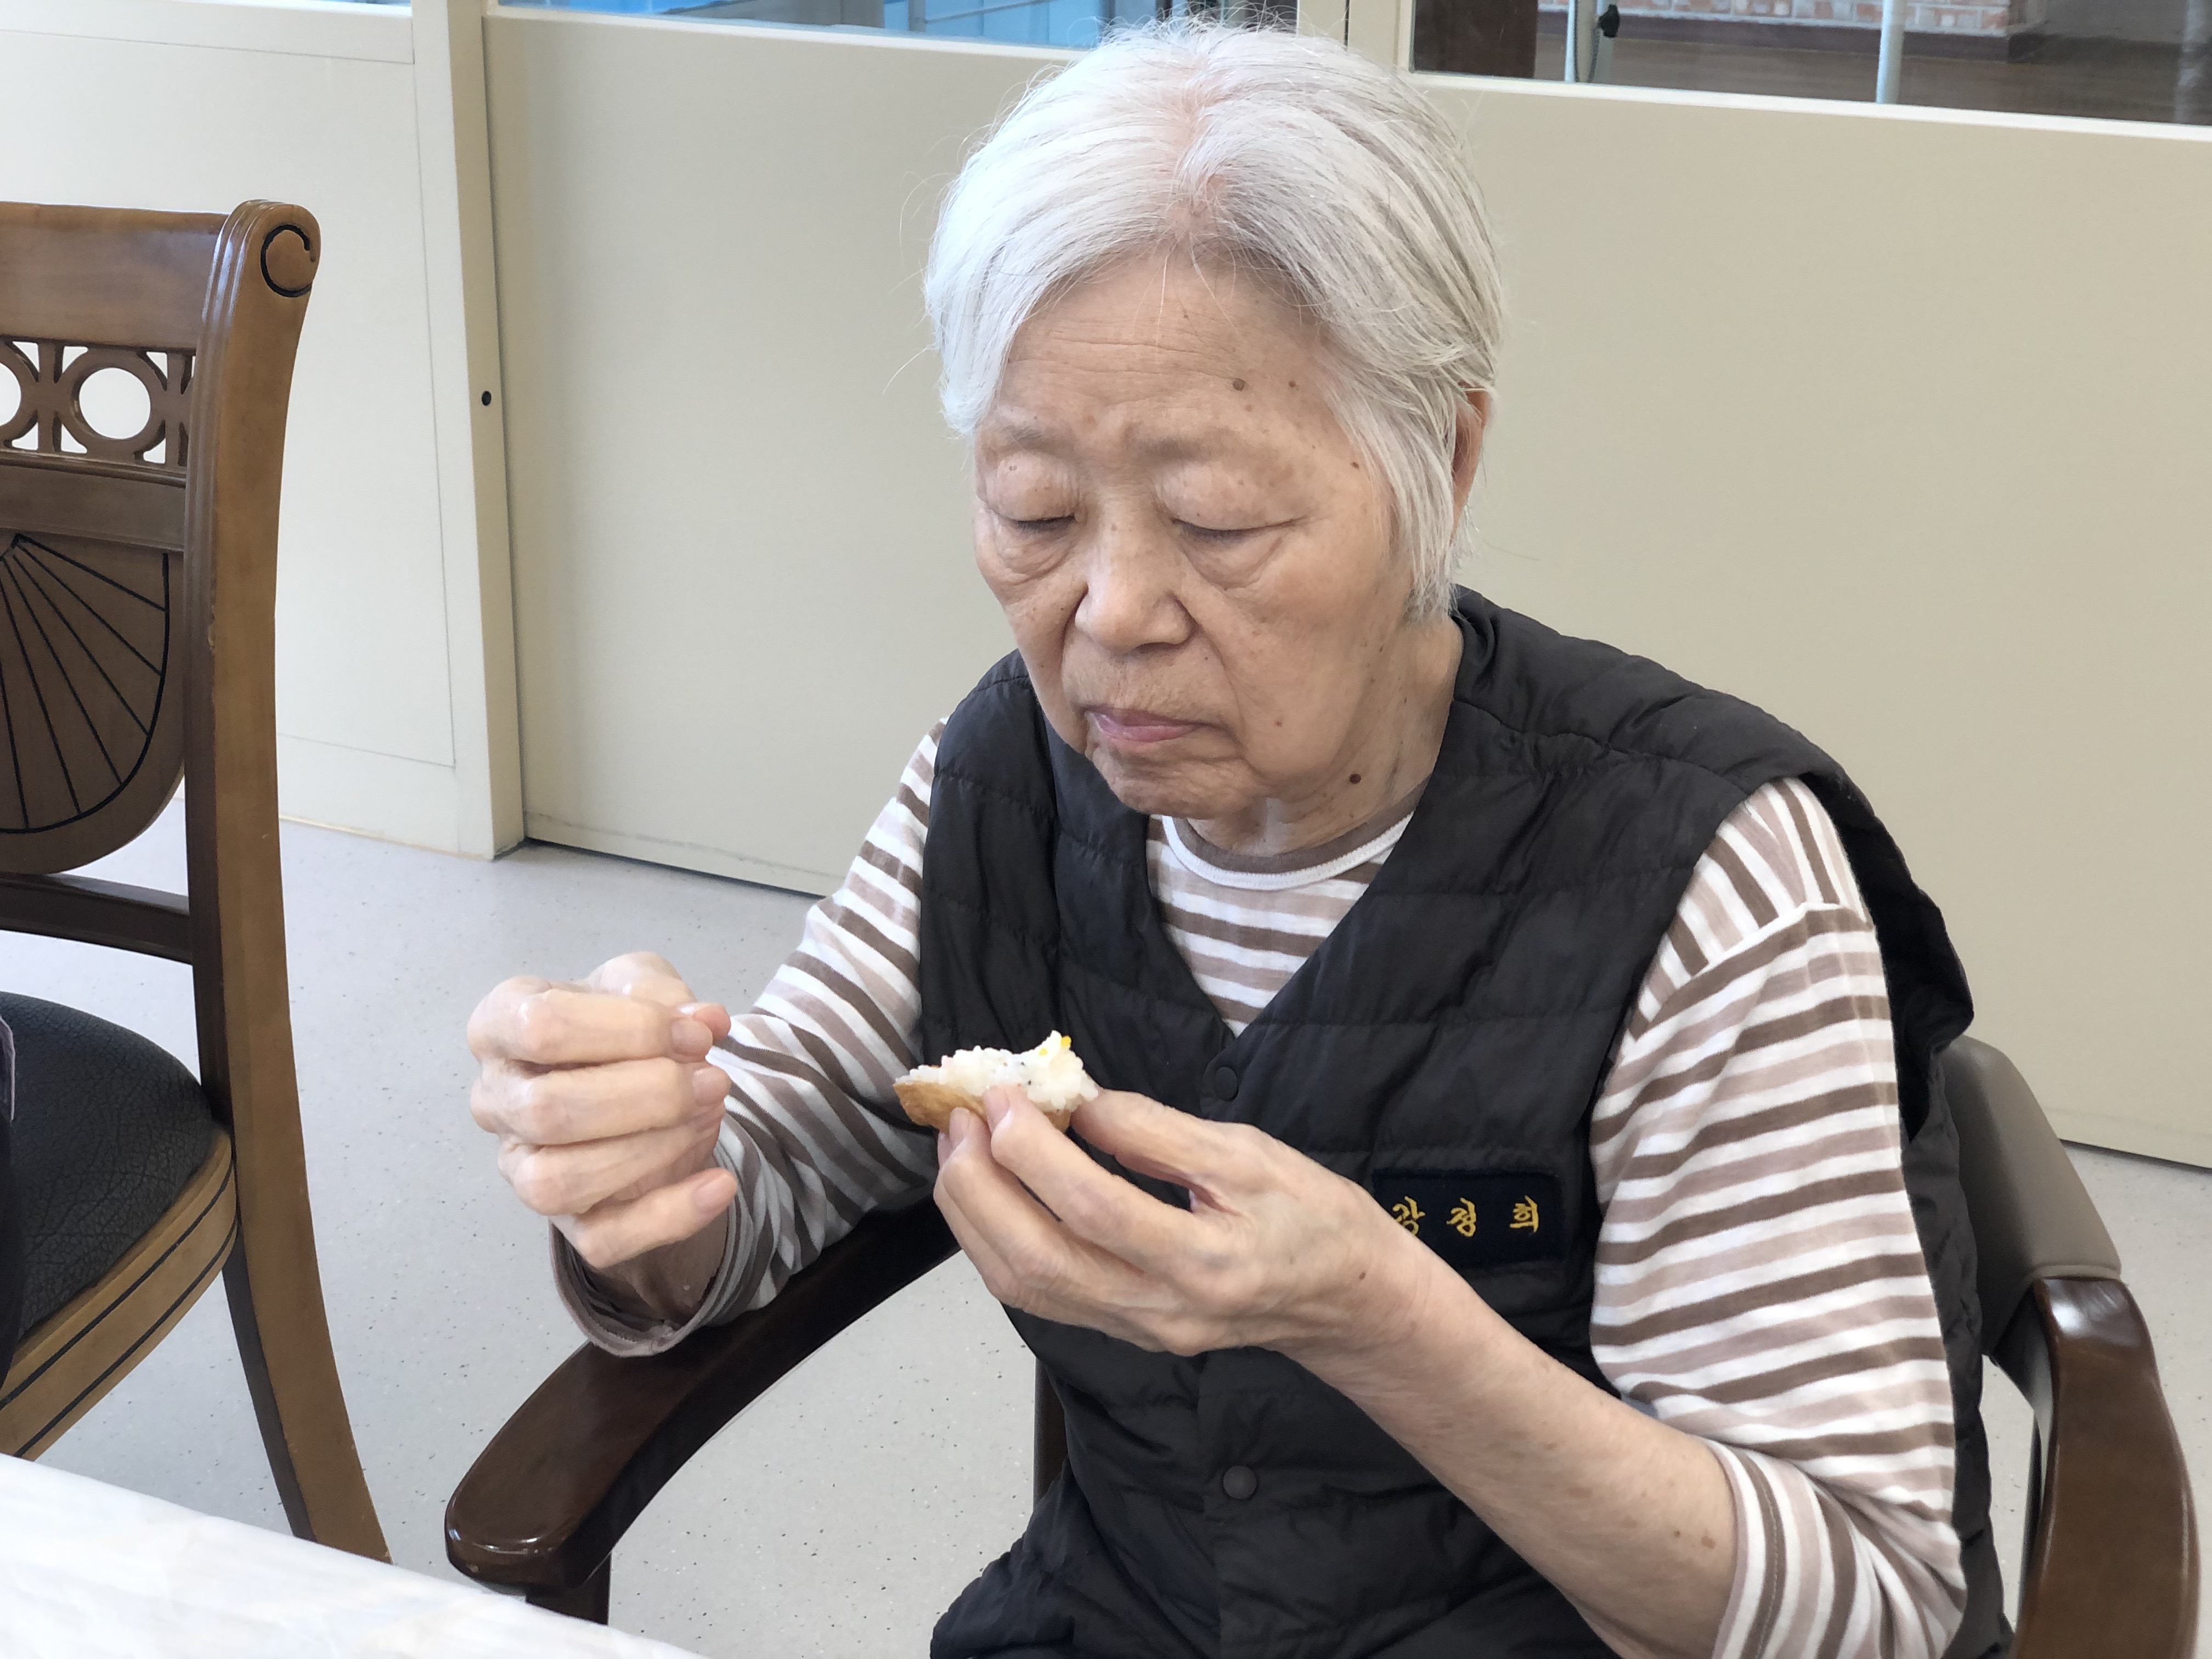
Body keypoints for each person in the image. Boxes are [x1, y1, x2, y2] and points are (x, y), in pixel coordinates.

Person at [469, 25, 1996, 1659]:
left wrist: (1379, 1315)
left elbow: (1869, 1603)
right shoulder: (999, 785)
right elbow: (766, 1168)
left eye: (1218, 522)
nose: (1112, 614)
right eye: (1036, 511)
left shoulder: (1704, 876)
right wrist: (643, 1172)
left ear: (1441, 466)